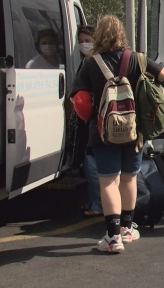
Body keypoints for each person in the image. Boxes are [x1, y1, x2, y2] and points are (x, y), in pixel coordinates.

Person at [70, 15, 164, 253]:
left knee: (108, 182)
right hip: (134, 131)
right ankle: (127, 228)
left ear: (99, 35)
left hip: (103, 132)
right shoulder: (137, 58)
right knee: (129, 179)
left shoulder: (91, 63)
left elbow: (79, 98)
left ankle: (113, 237)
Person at [76, 25, 103, 217]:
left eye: (88, 40)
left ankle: (99, 204)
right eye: (81, 41)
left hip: (93, 119)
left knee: (92, 162)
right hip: (86, 120)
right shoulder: (84, 62)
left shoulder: (93, 64)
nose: (84, 44)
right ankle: (95, 201)